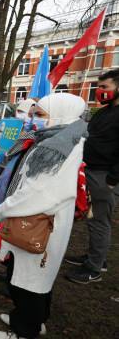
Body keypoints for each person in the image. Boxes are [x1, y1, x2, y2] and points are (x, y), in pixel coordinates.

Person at [0, 93, 88, 339]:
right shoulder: (66, 137)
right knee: (36, 279)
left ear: (61, 114)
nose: (35, 119)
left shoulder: (56, 148)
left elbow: (35, 192)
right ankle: (32, 320)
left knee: (27, 281)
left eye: (41, 114)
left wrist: (3, 210)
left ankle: (24, 332)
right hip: (44, 221)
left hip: (37, 222)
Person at [65, 69, 119, 284]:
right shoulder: (105, 112)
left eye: (105, 87)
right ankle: (96, 256)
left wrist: (112, 179)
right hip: (92, 171)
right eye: (99, 87)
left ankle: (94, 268)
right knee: (92, 219)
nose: (100, 91)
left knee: (98, 220)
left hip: (104, 177)